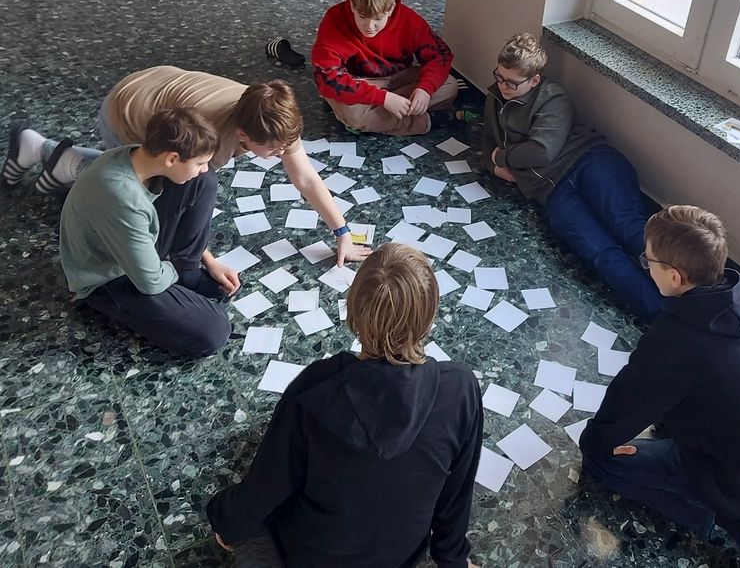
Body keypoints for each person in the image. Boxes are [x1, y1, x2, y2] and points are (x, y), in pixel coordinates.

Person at [206, 243, 484, 568]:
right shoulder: (462, 388)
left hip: (311, 556)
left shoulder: (316, 388)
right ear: (429, 316)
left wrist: (224, 519)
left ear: (353, 310)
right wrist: (453, 560)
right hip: (401, 558)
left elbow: (266, 485)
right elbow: (456, 493)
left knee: (252, 519)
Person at [580, 206, 740, 568]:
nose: (646, 265)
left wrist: (594, 444)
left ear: (674, 276)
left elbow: (624, 406)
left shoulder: (676, 341)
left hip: (734, 481)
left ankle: (722, 521)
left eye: (649, 261)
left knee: (603, 465)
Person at [2, 67, 370, 266]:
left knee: (177, 175)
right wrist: (202, 258)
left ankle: (43, 151)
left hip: (157, 89)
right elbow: (171, 180)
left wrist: (342, 234)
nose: (280, 155)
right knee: (138, 186)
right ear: (243, 136)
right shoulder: (212, 136)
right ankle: (59, 159)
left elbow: (304, 177)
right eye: (273, 151)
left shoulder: (273, 119)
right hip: (127, 112)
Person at [482, 33, 661, 319]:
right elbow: (484, 138)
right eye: (500, 77)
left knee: (630, 230)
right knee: (600, 253)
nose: (503, 86)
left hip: (590, 161)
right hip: (552, 192)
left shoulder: (553, 97)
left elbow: (541, 152)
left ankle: (692, 294)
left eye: (512, 83)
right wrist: (493, 167)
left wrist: (501, 157)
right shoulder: (495, 96)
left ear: (534, 80)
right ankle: (663, 316)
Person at [60, 108, 237, 358]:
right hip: (107, 277)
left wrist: (207, 259)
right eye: (200, 162)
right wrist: (177, 268)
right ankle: (178, 276)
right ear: (172, 159)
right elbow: (150, 281)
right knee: (214, 331)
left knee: (202, 182)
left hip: (134, 243)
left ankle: (184, 273)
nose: (205, 167)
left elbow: (143, 223)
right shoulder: (122, 199)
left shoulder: (136, 155)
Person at [311, 0, 465, 135]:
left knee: (449, 85)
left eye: (378, 19)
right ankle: (428, 121)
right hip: (357, 81)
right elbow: (327, 78)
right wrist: (384, 99)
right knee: (354, 114)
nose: (369, 26)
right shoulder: (334, 19)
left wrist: (425, 89)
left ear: (391, 9)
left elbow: (440, 55)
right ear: (352, 5)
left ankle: (378, 116)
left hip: (397, 77)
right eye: (362, 17)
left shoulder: (409, 20)